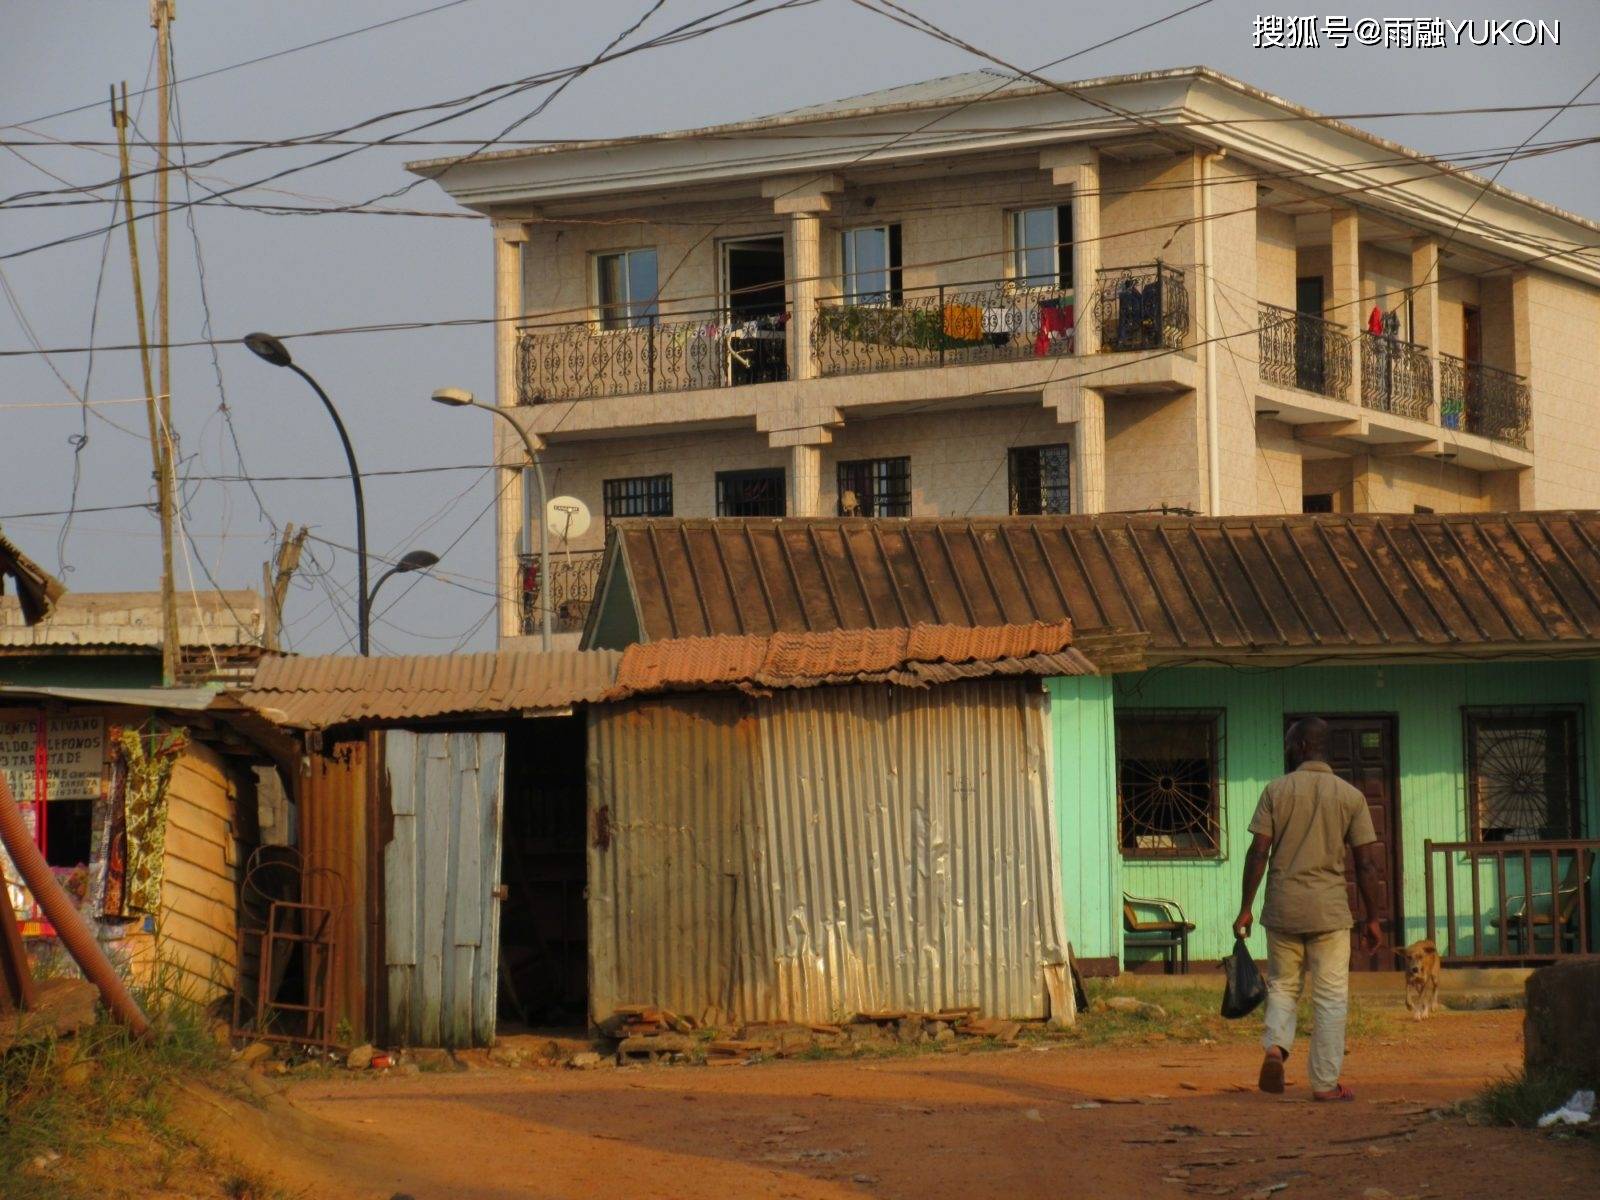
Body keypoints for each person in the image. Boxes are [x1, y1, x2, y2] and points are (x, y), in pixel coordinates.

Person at [1234, 717, 1385, 1101]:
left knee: (1283, 986)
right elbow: (1367, 864)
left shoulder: (1276, 791)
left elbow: (1259, 852)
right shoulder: (1350, 797)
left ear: (1301, 747)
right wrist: (1373, 918)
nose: (1285, 751)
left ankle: (1275, 1048)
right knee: (1331, 996)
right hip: (1330, 912)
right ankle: (1324, 1083)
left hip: (1283, 907)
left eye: (1288, 744)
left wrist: (1246, 907)